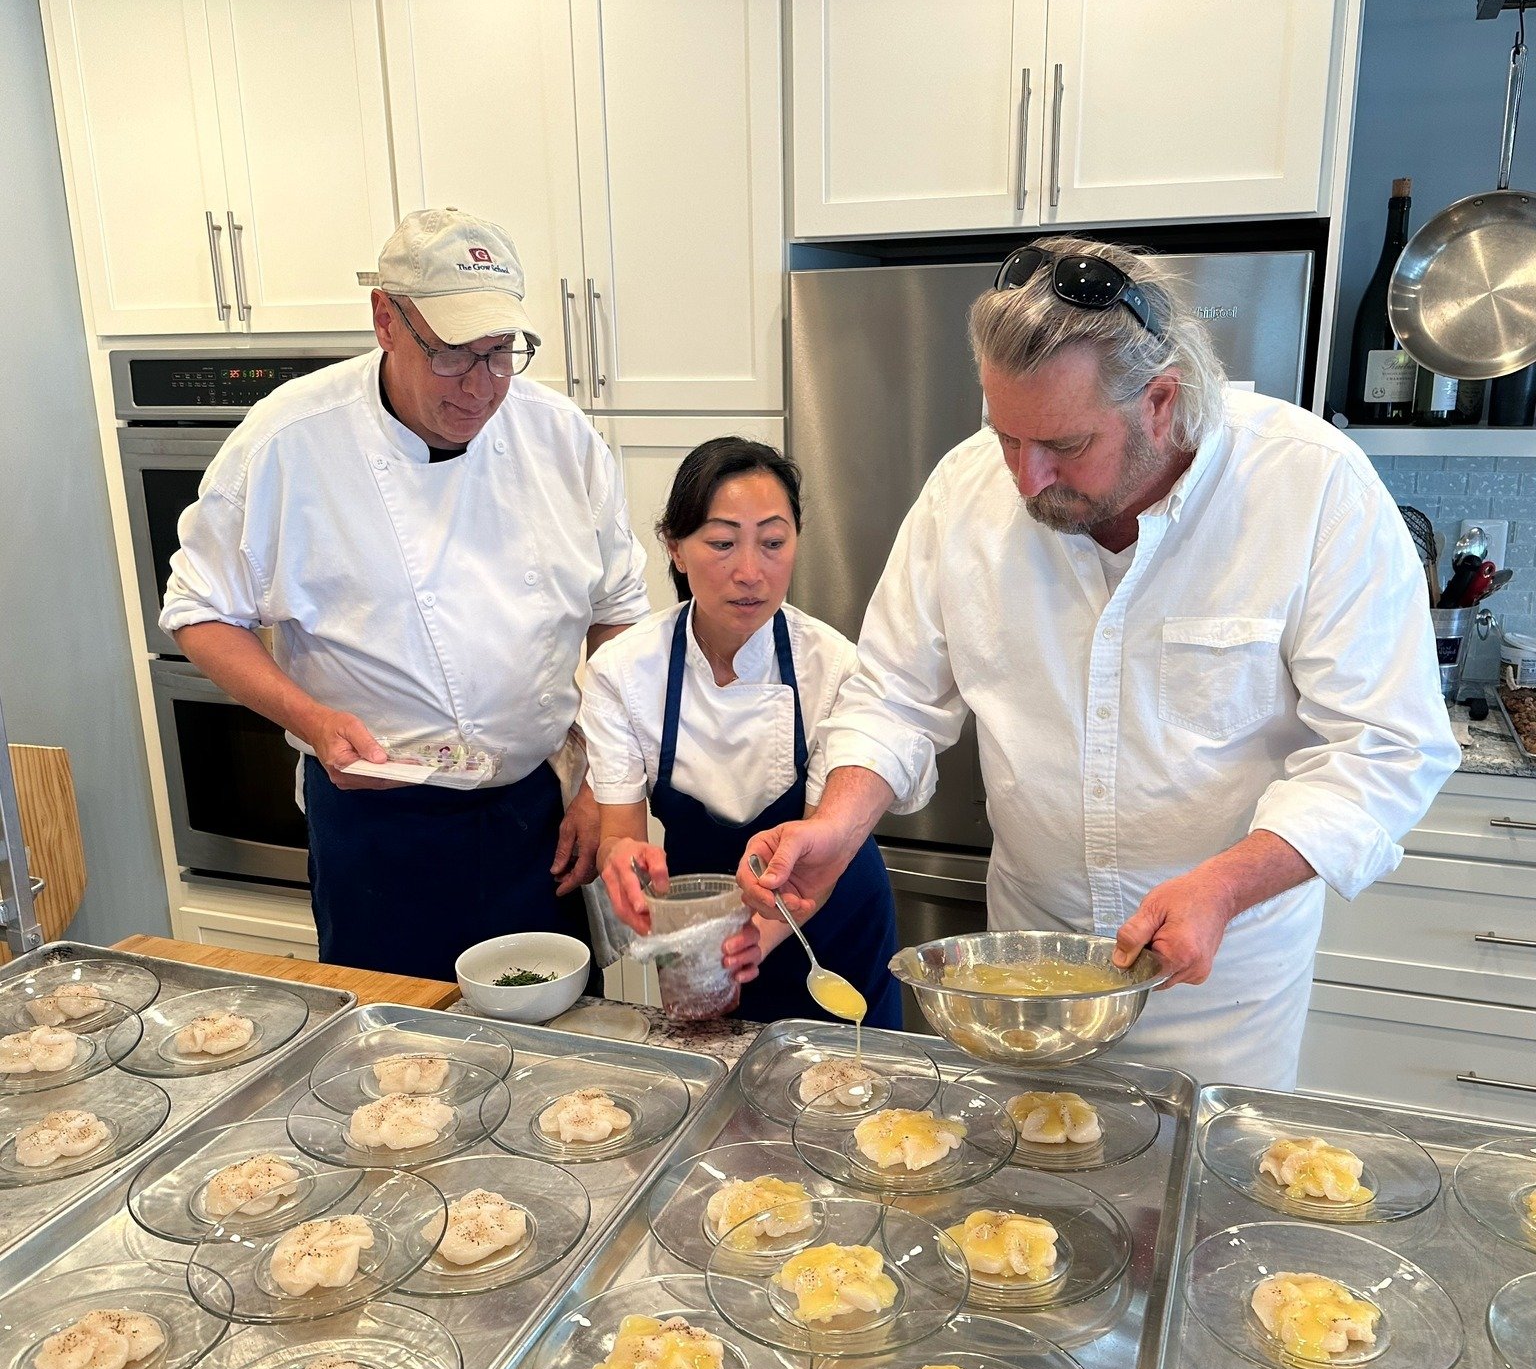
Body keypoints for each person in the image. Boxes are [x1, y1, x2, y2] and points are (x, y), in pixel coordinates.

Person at [738, 235, 1460, 1088]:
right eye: (1004, 434)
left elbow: (1385, 747)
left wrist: (1225, 885)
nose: (1026, 477)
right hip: (1020, 974)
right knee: (1016, 1210)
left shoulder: (1311, 489)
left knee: (1197, 1205)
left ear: (1162, 402)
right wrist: (838, 822)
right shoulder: (966, 490)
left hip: (1218, 985)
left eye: (1065, 446)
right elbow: (893, 697)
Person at [160, 208, 651, 981]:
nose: (483, 386)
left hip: (536, 816)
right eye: (454, 354)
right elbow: (199, 612)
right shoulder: (287, 443)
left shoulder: (559, 436)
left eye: (501, 354)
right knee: (396, 1066)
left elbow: (620, 614)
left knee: (552, 1061)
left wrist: (602, 778)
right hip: (375, 831)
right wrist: (313, 720)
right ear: (386, 320)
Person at [582, 437, 904, 1027]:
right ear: (675, 549)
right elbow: (619, 834)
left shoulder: (833, 666)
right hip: (702, 933)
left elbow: (814, 850)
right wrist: (622, 860)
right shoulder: (623, 673)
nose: (751, 572)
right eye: (723, 542)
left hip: (829, 925)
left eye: (774, 543)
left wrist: (756, 937)